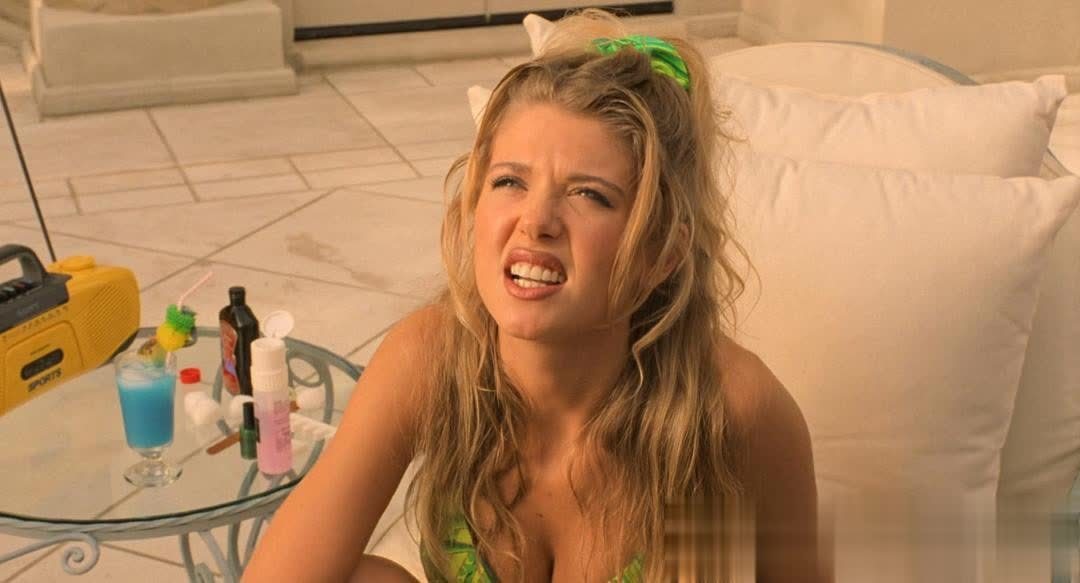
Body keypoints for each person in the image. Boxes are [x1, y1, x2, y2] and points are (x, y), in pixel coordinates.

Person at [244, 8, 823, 583]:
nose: (535, 221)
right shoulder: (430, 359)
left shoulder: (732, 412)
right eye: (510, 182)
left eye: (590, 195)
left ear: (662, 254)